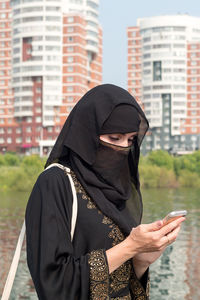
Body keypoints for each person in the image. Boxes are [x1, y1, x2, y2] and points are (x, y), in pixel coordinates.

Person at [25, 84, 185, 300]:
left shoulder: (118, 188)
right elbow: (52, 283)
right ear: (87, 133)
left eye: (130, 140)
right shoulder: (55, 183)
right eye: (114, 138)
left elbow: (121, 281)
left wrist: (141, 260)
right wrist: (130, 246)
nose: (123, 148)